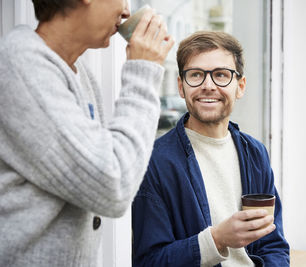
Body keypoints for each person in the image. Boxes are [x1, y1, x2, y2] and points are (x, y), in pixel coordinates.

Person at [0, 0, 174, 266]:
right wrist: (143, 71)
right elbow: (112, 184)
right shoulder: (20, 66)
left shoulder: (79, 76)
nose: (127, 10)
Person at [132, 31, 290, 266]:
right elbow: (150, 261)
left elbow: (273, 245)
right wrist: (217, 239)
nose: (208, 85)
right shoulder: (154, 161)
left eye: (221, 75)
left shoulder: (255, 153)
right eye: (196, 75)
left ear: (240, 86)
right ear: (181, 86)